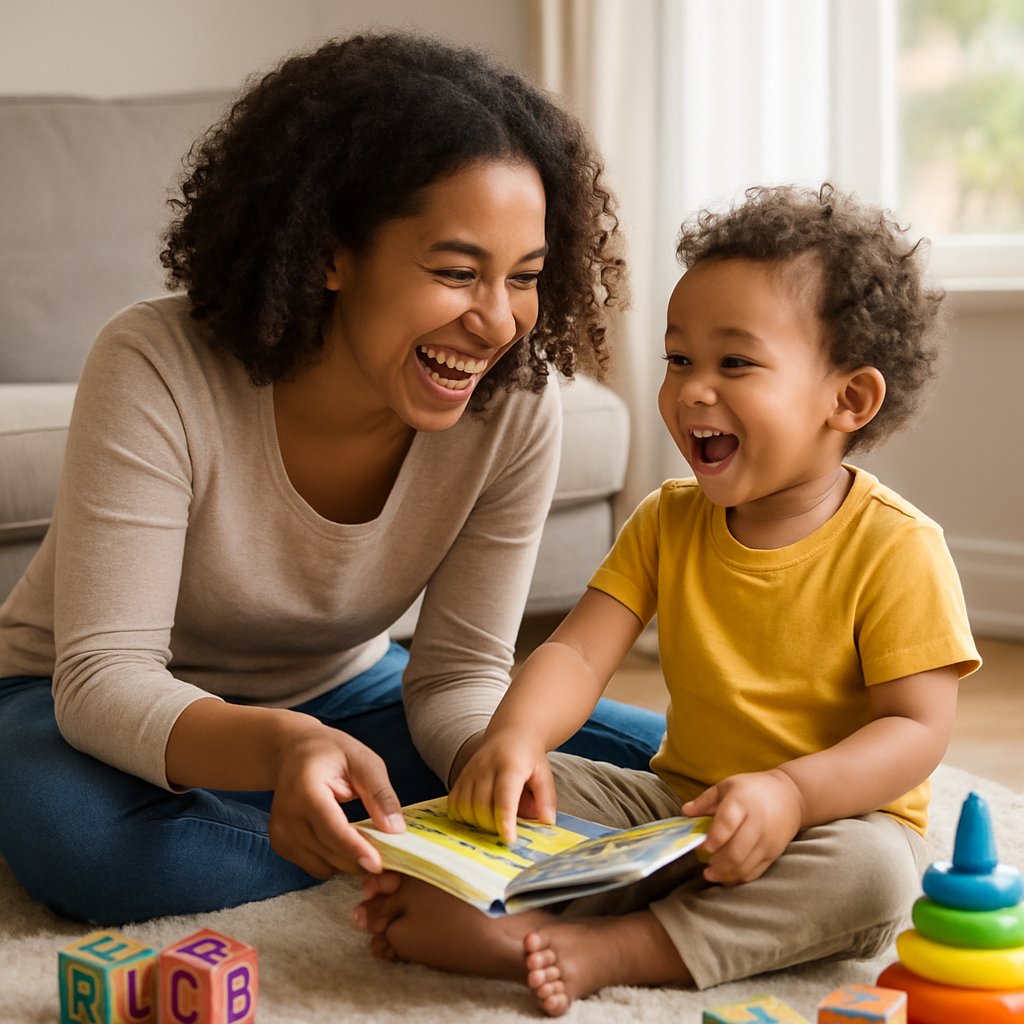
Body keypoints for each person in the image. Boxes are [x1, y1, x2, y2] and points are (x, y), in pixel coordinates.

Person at [0, 33, 666, 926]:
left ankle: (343, 829)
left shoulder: (513, 407)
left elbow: (460, 673)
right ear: (330, 253)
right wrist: (278, 752)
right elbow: (104, 678)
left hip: (352, 696)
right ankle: (375, 840)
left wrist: (491, 762)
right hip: (71, 704)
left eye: (525, 277)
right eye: (457, 272)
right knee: (87, 846)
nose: (498, 321)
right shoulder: (156, 364)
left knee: (678, 765)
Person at [353, 184, 982, 1015]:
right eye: (679, 359)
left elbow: (915, 729)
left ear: (849, 400)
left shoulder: (897, 547)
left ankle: (613, 946)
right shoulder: (667, 520)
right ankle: (502, 902)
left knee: (878, 875)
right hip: (675, 805)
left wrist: (791, 795)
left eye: (735, 363)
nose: (691, 390)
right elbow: (578, 652)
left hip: (825, 827)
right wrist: (512, 740)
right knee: (509, 791)